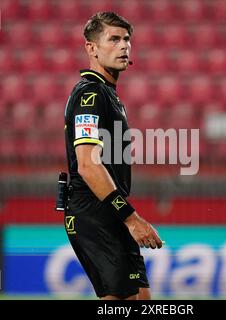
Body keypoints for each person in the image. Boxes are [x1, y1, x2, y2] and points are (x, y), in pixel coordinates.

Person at [62, 12, 163, 300]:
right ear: (91, 48)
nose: (124, 46)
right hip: (94, 211)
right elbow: (87, 164)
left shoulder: (107, 93)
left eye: (127, 39)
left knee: (142, 298)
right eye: (114, 39)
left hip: (111, 212)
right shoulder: (89, 95)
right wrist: (131, 219)